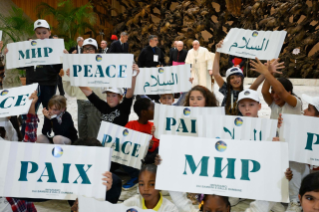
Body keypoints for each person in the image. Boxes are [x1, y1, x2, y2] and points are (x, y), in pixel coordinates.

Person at [250, 58, 304, 212]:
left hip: (293, 148)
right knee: (276, 171)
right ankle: (278, 200)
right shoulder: (274, 104)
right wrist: (269, 73)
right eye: (273, 92)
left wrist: (266, 72)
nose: (275, 95)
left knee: (293, 173)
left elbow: (280, 91)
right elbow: (264, 91)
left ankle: (295, 202)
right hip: (277, 146)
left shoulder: (295, 103)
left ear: (289, 92)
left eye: (278, 92)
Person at [63, 38, 105, 138]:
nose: (88, 51)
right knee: (82, 132)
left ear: (96, 51)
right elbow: (70, 88)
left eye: (91, 49)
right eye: (86, 49)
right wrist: (67, 74)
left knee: (94, 133)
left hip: (95, 103)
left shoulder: (103, 65)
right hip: (80, 102)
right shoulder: (76, 65)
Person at [76, 61, 139, 127]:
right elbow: (89, 93)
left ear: (120, 97)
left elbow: (129, 93)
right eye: (108, 95)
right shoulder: (103, 106)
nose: (110, 98)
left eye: (113, 95)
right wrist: (75, 77)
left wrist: (133, 76)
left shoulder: (124, 108)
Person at [213, 40, 267, 115]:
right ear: (228, 80)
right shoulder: (226, 90)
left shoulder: (246, 93)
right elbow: (216, 74)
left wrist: (267, 71)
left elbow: (257, 83)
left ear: (242, 78)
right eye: (232, 78)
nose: (235, 79)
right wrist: (217, 52)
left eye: (238, 76)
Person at [121, 98, 159, 190]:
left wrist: (150, 146)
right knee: (121, 153)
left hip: (149, 156)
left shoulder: (153, 126)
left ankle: (150, 173)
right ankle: (136, 176)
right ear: (144, 112)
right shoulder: (131, 125)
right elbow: (124, 141)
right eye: (153, 108)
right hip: (135, 155)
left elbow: (156, 144)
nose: (155, 111)